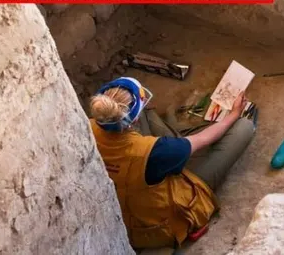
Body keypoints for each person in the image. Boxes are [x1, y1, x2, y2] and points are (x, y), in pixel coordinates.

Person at [88, 77, 255, 249]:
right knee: (244, 127)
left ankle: (176, 137)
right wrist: (234, 113)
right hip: (154, 230)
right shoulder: (157, 151)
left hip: (120, 218)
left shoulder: (87, 127)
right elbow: (204, 138)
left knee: (149, 117)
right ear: (134, 120)